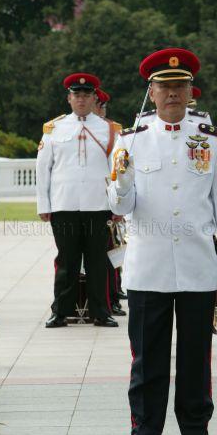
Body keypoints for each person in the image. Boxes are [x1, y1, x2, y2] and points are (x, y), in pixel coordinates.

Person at [108, 47, 217, 435]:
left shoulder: (214, 143)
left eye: (180, 86)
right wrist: (123, 181)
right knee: (147, 357)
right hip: (149, 267)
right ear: (152, 90)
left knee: (196, 356)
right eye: (165, 87)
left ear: (190, 91)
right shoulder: (129, 142)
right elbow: (119, 206)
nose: (173, 94)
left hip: (199, 264)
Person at [36, 72, 119, 328]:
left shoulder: (109, 129)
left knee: (98, 261)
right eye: (76, 95)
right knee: (66, 260)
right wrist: (44, 205)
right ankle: (61, 311)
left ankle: (101, 311)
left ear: (95, 98)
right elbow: (43, 168)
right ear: (69, 98)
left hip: (98, 205)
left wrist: (117, 206)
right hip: (64, 204)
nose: (81, 99)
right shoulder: (54, 128)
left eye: (86, 95)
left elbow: (117, 169)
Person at [93, 88, 127, 317]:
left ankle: (113, 296)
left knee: (113, 251)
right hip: (92, 201)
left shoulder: (113, 131)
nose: (101, 111)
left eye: (102, 107)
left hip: (108, 200)